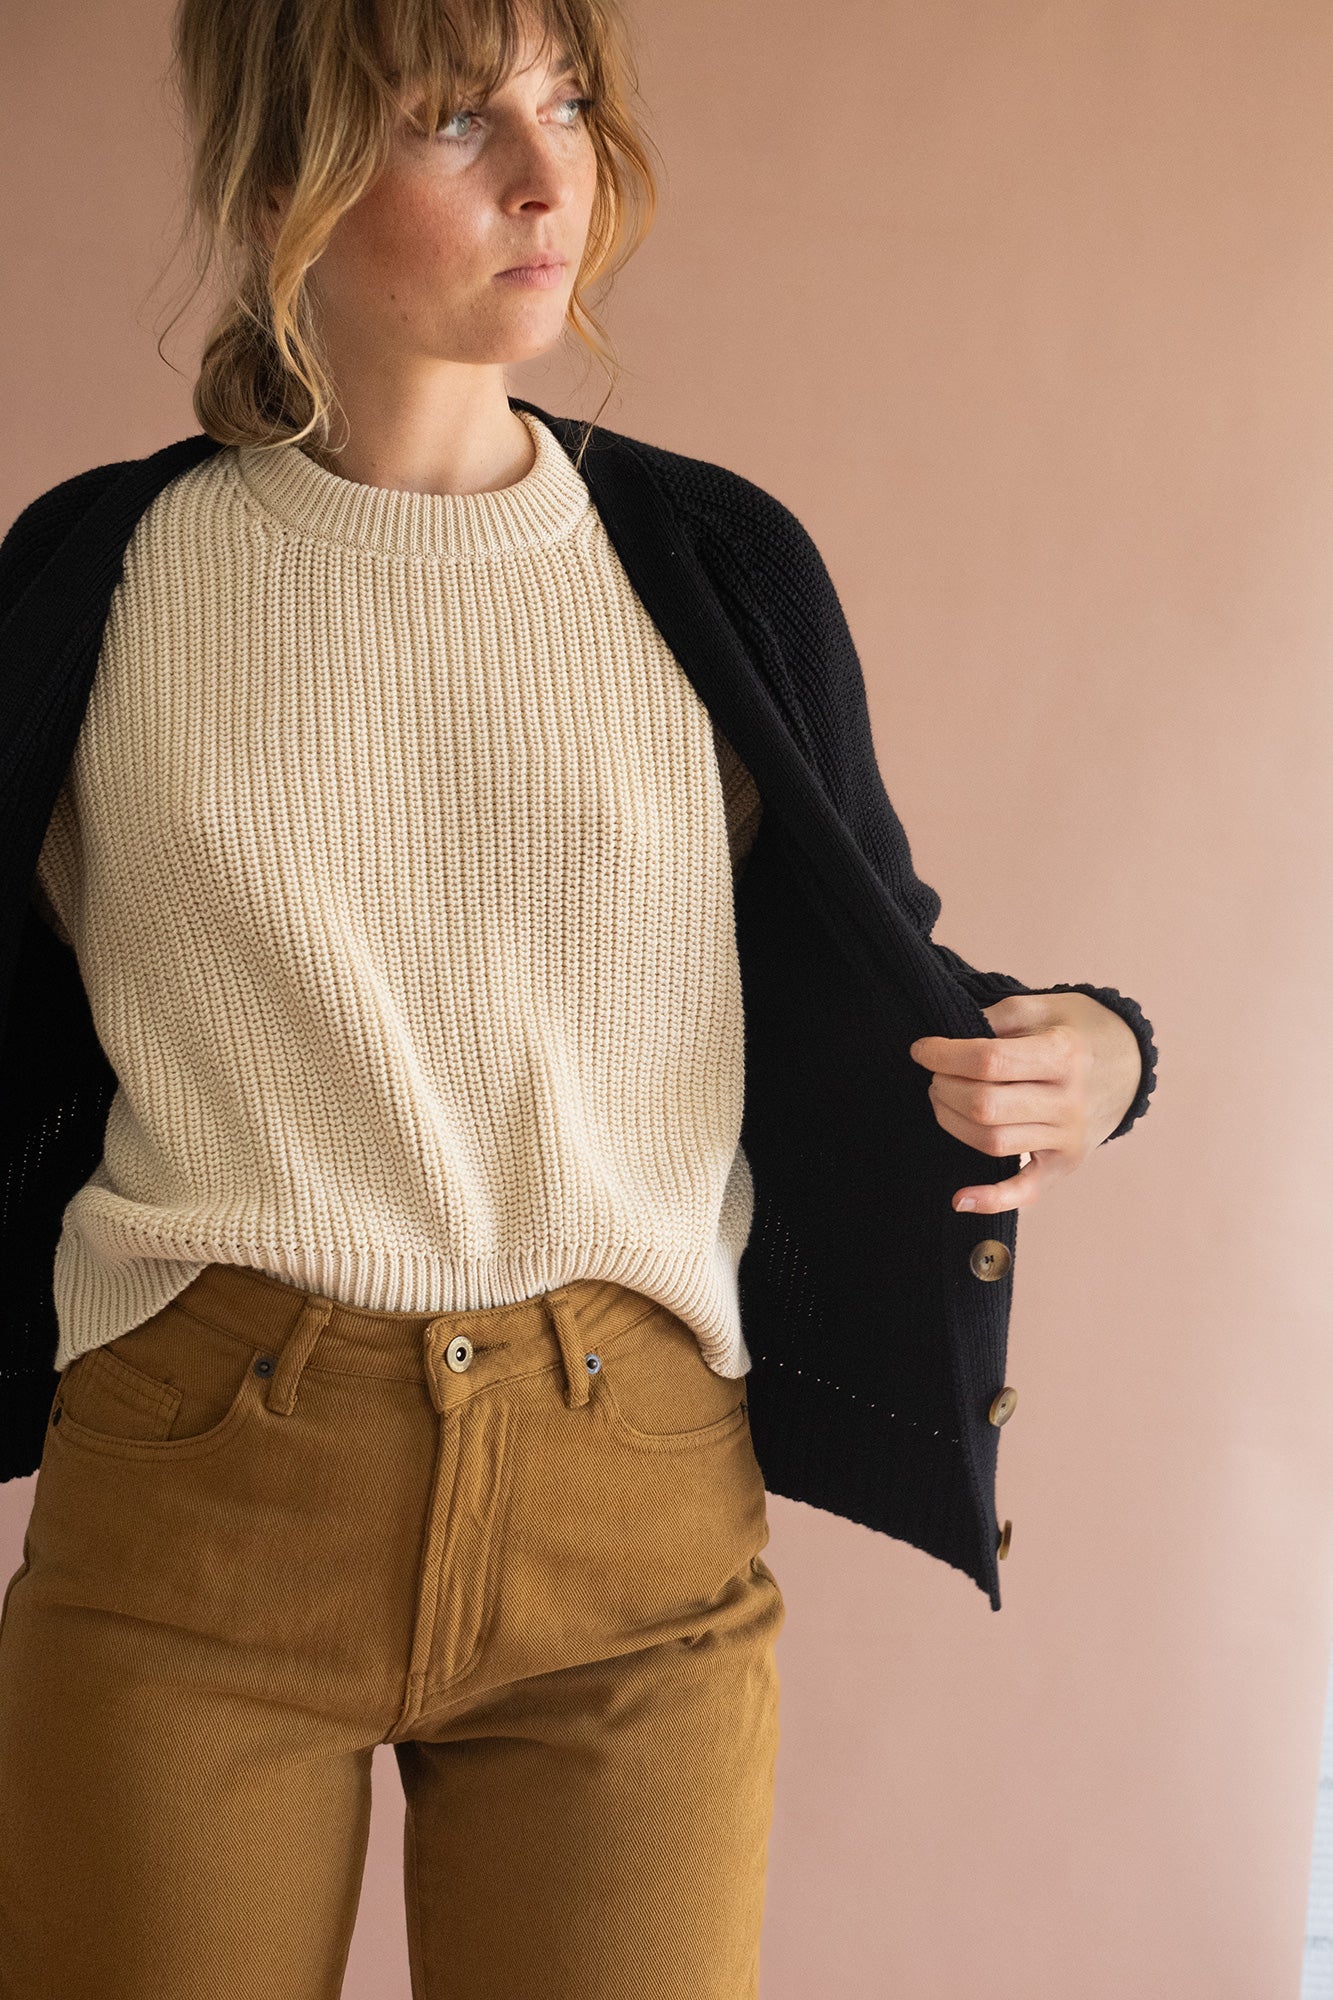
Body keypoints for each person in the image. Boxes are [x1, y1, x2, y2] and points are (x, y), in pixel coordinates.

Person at [0, 1, 1158, 1994]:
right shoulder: (97, 577)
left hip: (633, 1529)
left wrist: (1103, 1050)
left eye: (567, 103)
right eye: (458, 119)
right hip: (198, 1508)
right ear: (282, 175)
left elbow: (881, 961)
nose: (554, 179)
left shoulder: (714, 566)